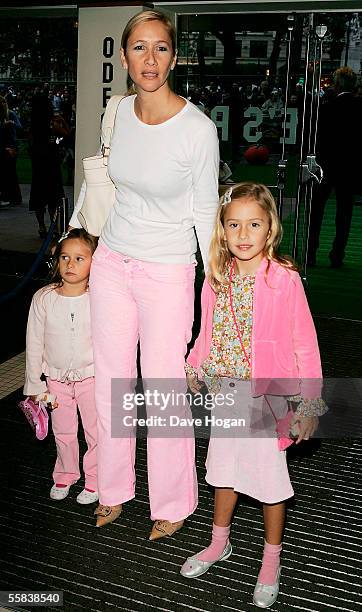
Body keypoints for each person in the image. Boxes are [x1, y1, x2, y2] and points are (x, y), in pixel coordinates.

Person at [69, 9, 219, 534]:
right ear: (126, 57)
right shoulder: (117, 113)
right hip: (111, 262)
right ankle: (112, 487)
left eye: (160, 48)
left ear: (174, 57)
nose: (149, 59)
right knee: (111, 383)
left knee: (162, 391)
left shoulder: (197, 129)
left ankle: (173, 502)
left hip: (167, 272)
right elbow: (100, 184)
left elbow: (205, 214)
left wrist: (217, 284)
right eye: (139, 48)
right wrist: (76, 238)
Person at [180, 182, 327, 607]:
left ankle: (271, 559)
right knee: (223, 472)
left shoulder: (284, 279)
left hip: (270, 395)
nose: (244, 234)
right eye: (234, 225)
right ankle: (218, 542)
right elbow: (205, 331)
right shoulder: (215, 278)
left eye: (254, 224)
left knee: (268, 483)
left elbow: (305, 344)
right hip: (226, 390)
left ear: (270, 230)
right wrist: (193, 364)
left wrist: (309, 403)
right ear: (222, 230)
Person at [23, 229, 99, 505]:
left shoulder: (99, 298)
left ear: (95, 261)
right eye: (65, 257)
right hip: (55, 381)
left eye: (80, 258)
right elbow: (34, 342)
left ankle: (95, 478)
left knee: (95, 431)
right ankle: (66, 473)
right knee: (63, 431)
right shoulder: (44, 298)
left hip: (92, 378)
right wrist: (34, 384)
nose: (70, 264)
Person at [307, 66, 362, 267]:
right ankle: (338, 255)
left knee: (317, 210)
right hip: (350, 168)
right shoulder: (359, 107)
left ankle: (311, 253)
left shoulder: (327, 107)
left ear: (337, 85)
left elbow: (317, 139)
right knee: (345, 212)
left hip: (326, 165)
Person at [29, 90, 64, 238]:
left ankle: (42, 226)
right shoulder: (51, 123)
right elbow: (63, 137)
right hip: (51, 162)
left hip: (39, 164)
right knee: (53, 196)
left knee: (39, 195)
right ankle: (53, 226)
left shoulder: (34, 125)